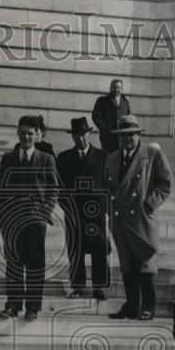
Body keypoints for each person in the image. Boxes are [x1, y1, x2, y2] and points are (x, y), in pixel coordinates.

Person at [103, 114, 172, 321]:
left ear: (138, 135)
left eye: (131, 134)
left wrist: (149, 205)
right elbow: (105, 187)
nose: (127, 139)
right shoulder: (112, 158)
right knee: (127, 264)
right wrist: (108, 208)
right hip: (120, 219)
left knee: (145, 263)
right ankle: (131, 306)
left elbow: (166, 183)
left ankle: (148, 306)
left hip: (141, 219)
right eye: (123, 135)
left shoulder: (151, 154)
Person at [0, 115, 61, 320]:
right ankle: (13, 305)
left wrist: (44, 212)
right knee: (14, 262)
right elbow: (1, 190)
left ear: (37, 135)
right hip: (13, 219)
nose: (26, 137)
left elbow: (53, 189)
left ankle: (33, 306)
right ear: (17, 132)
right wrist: (4, 217)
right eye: (23, 132)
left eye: (30, 133)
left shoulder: (46, 159)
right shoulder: (8, 158)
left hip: (36, 219)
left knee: (35, 263)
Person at [56, 117, 109, 300]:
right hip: (74, 213)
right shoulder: (64, 158)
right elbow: (59, 187)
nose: (81, 138)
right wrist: (67, 207)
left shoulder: (103, 157)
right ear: (73, 137)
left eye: (83, 134)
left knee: (99, 249)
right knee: (75, 250)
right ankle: (78, 286)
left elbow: (108, 185)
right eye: (77, 135)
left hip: (96, 213)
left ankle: (98, 287)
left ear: (89, 134)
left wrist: (103, 207)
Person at [92, 79, 131, 153]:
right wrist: (105, 129)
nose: (116, 89)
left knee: (121, 157)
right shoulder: (102, 101)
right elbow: (95, 117)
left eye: (118, 87)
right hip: (107, 138)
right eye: (114, 87)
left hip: (122, 138)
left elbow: (129, 118)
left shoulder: (125, 102)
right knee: (108, 157)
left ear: (122, 89)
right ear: (110, 88)